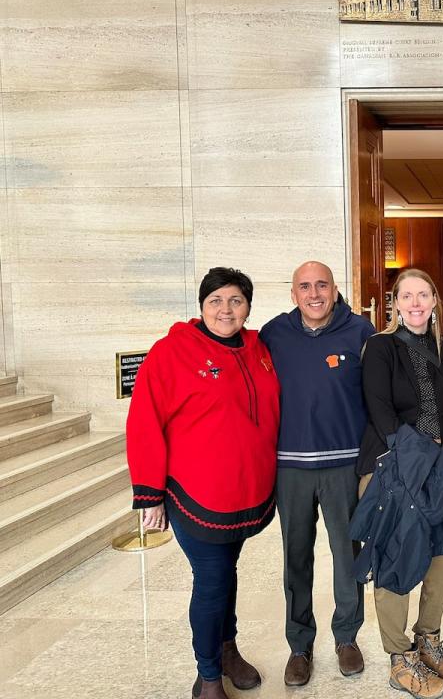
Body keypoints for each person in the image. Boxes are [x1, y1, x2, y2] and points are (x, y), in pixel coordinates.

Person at [126, 267, 280, 699]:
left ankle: (227, 649)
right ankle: (208, 675)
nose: (225, 310)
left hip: (245, 491)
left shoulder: (258, 348)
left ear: (248, 307)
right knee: (212, 580)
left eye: (236, 300)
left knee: (226, 574)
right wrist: (149, 493)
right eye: (216, 300)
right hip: (196, 493)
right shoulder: (171, 352)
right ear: (201, 306)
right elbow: (144, 423)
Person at [258, 261, 375, 685]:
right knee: (296, 558)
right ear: (293, 294)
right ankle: (299, 644)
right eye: (304, 286)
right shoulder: (273, 334)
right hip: (291, 467)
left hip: (344, 464)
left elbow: (376, 394)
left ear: (334, 288)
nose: (314, 294)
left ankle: (347, 637)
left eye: (321, 285)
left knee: (348, 556)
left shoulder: (360, 331)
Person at [358, 268, 443, 699]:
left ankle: (428, 640)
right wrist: (411, 457)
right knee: (396, 561)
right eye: (407, 296)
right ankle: (399, 657)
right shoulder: (380, 346)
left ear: (435, 300)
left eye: (424, 294)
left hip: (441, 467)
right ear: (395, 303)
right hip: (395, 467)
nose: (416, 302)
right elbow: (379, 408)